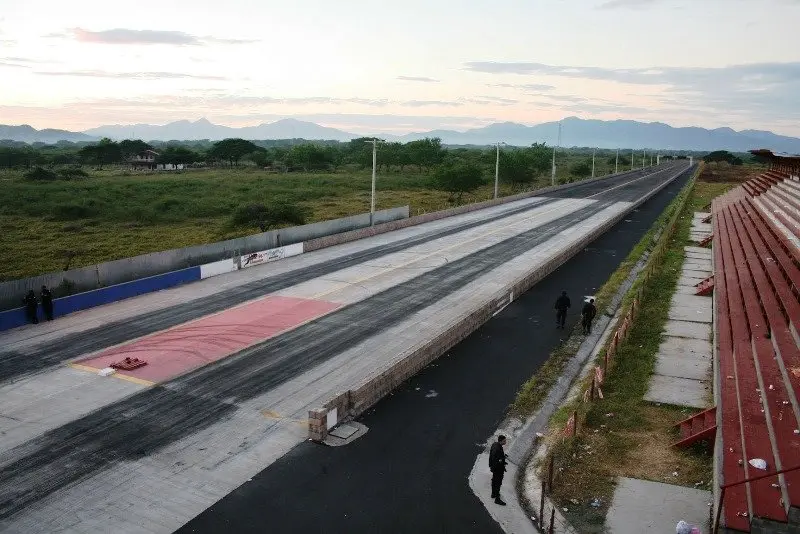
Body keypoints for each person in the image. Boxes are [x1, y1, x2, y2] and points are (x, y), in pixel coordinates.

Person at [489, 435, 508, 505]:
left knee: (494, 481)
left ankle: (493, 494)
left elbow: (493, 457)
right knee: (498, 483)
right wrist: (502, 463)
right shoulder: (498, 449)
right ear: (501, 441)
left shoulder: (495, 445)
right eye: (504, 441)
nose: (505, 442)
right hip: (498, 469)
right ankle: (497, 499)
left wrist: (503, 458)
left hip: (494, 468)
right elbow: (496, 459)